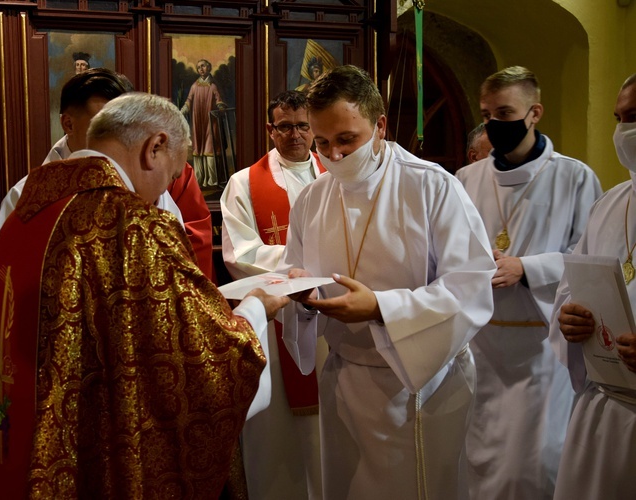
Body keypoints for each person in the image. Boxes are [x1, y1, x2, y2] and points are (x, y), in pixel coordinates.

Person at [0, 92, 289, 498]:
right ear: (155, 147)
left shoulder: (26, 207)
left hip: (18, 428)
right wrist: (255, 307)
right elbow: (200, 358)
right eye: (172, 172)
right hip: (98, 441)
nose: (163, 189)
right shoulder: (132, 223)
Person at [277, 65, 496, 499]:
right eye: (322, 142)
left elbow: (471, 288)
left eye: (346, 140)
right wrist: (300, 295)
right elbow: (296, 270)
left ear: (379, 126)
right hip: (343, 378)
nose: (333, 156)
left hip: (420, 385)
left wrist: (381, 307)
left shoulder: (433, 186)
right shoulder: (312, 198)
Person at [456, 66, 602, 500]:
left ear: (534, 112)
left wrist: (528, 268)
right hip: (480, 348)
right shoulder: (466, 180)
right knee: (477, 468)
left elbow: (591, 258)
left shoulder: (575, 178)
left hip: (543, 351)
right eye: (486, 114)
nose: (493, 124)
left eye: (505, 112)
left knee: (534, 470)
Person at [0, 68, 213, 279]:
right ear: (68, 124)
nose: (116, 134)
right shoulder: (25, 196)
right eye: (104, 121)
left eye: (123, 123)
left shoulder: (153, 195)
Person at [221, 90, 326, 499]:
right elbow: (239, 252)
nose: (296, 134)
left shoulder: (335, 175)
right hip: (277, 313)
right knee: (279, 433)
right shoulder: (244, 183)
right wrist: (301, 267)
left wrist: (319, 267)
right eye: (285, 126)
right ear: (271, 130)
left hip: (329, 315)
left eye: (303, 125)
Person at [550, 73, 636, 500]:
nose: (623, 132)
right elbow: (571, 288)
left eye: (634, 117)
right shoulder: (610, 205)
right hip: (603, 408)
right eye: (619, 118)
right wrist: (567, 318)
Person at [181, 59, 226, 188]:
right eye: (198, 67)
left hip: (211, 122)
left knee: (210, 148)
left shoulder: (213, 86)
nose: (201, 69)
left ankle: (212, 180)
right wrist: (181, 111)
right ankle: (199, 179)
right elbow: (189, 101)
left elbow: (219, 100)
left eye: (203, 66)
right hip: (198, 121)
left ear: (209, 68)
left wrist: (221, 107)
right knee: (199, 148)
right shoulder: (195, 86)